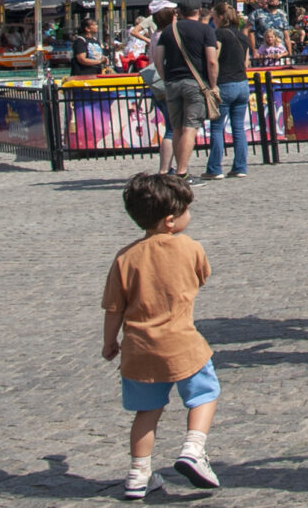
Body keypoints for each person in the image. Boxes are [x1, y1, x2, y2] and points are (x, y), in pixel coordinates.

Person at [102, 173, 219, 498]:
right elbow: (201, 277)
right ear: (170, 221)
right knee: (205, 394)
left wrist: (109, 342)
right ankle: (194, 448)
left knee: (147, 412)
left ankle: (138, 474)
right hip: (182, 343)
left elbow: (114, 308)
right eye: (186, 211)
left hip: (139, 350)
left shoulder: (126, 258)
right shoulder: (190, 248)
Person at [156, 4, 219, 178]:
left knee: (176, 128)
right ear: (198, 11)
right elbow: (212, 61)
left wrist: (165, 78)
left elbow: (157, 58)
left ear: (180, 13)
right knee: (190, 128)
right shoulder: (205, 30)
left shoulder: (169, 30)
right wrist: (212, 85)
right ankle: (182, 172)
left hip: (172, 82)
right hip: (195, 83)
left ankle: (178, 169)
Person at [201, 8, 254, 183]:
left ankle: (215, 168)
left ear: (221, 17)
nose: (213, 20)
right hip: (242, 83)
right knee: (238, 128)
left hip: (225, 82)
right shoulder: (242, 36)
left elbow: (213, 59)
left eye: (214, 16)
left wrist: (212, 84)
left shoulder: (219, 35)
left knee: (217, 127)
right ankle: (240, 167)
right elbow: (246, 62)